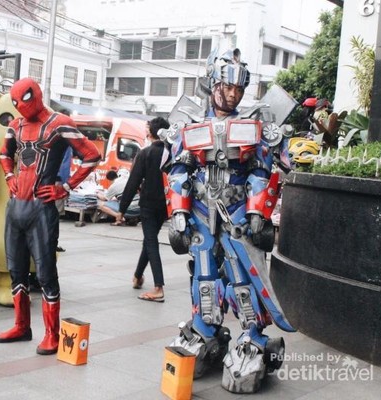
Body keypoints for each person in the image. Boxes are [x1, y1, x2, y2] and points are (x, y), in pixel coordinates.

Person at [166, 49, 295, 393]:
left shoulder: (254, 122)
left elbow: (263, 171)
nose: (233, 94)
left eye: (238, 88)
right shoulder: (190, 121)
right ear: (213, 83)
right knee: (203, 274)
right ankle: (203, 329)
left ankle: (251, 337)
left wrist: (257, 213)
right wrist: (178, 215)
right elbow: (178, 170)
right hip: (199, 212)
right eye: (227, 86)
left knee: (242, 279)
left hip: (237, 213)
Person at [0, 77, 101, 355]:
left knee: (45, 273)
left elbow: (91, 156)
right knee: (16, 270)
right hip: (17, 208)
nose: (19, 107)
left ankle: (52, 334)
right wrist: (8, 176)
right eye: (15, 102)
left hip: (41, 210)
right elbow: (5, 154)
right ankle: (21, 326)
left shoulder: (59, 123)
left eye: (23, 100)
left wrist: (64, 187)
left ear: (36, 95)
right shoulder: (15, 126)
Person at [116, 117, 170, 302]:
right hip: (165, 205)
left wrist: (121, 209)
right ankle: (138, 276)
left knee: (151, 242)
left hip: (148, 204)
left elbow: (133, 182)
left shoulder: (145, 153)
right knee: (149, 240)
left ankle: (158, 287)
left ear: (150, 132)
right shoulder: (171, 153)